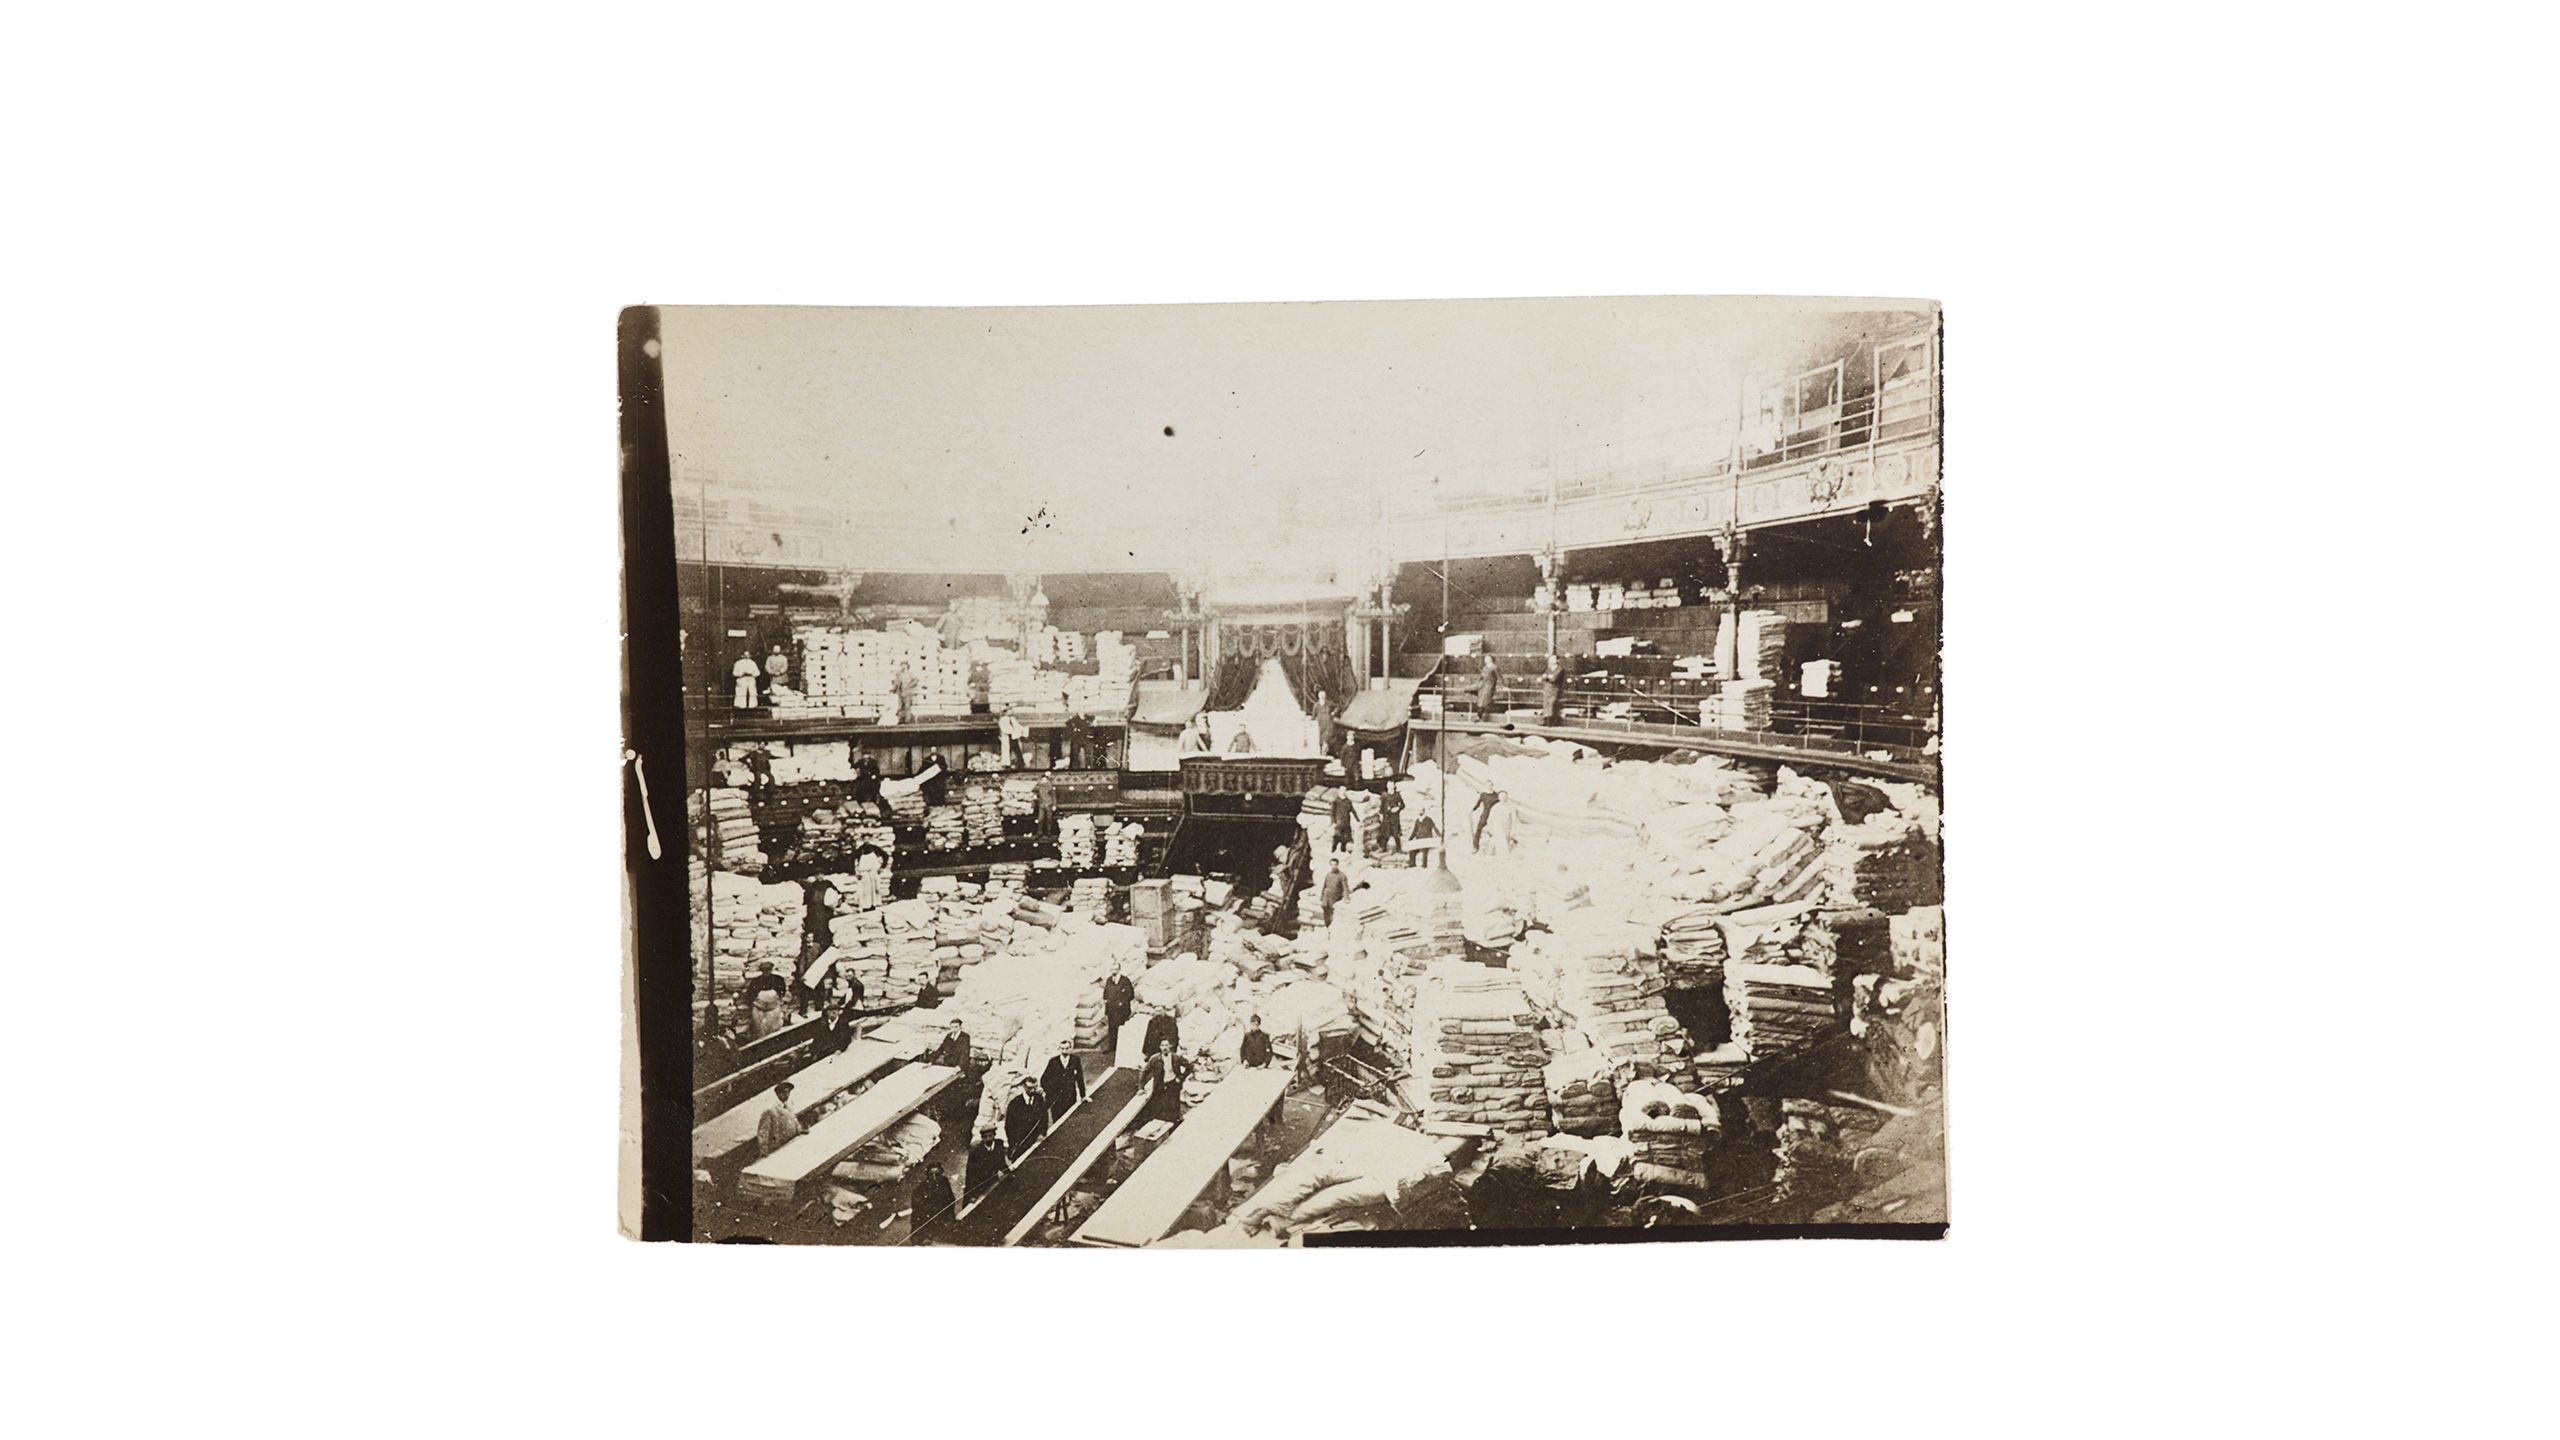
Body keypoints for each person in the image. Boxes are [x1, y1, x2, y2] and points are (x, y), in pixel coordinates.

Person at [1141, 1039, 1193, 1126]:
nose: (1164, 1048)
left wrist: (1180, 1078)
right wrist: (1141, 1087)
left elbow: (1190, 1067)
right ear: (1160, 1047)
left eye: (1166, 1045)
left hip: (1173, 1083)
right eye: (1162, 1046)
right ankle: (1161, 1125)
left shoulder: (1177, 1057)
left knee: (1174, 1104)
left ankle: (1175, 1123)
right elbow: (1144, 1072)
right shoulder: (1155, 1059)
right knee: (1160, 1105)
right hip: (1160, 1085)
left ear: (1170, 1046)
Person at [1004, 1076, 1048, 1160]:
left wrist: (1042, 1133)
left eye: (1035, 1088)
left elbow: (1044, 1118)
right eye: (1030, 1088)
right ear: (1023, 1086)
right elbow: (1009, 1126)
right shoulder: (1014, 1104)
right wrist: (1014, 1144)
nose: (1033, 1091)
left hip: (1036, 1141)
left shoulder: (1039, 1099)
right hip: (1020, 1142)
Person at [694, 1004, 737, 1087]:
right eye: (709, 1017)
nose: (711, 1019)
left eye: (713, 1017)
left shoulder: (720, 1031)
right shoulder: (703, 1032)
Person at [755, 1082, 803, 1158]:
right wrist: (764, 1150)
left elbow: (794, 1120)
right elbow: (763, 1132)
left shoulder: (789, 1105)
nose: (786, 1095)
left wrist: (799, 1130)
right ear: (778, 1094)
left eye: (788, 1092)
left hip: (790, 1141)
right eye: (783, 1093)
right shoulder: (770, 1110)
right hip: (778, 1146)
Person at [964, 1125, 1007, 1201]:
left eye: (990, 1136)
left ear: (994, 1135)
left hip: (993, 1181)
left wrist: (1008, 1171)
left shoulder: (998, 1145)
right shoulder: (975, 1152)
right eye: (985, 1137)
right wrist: (972, 1195)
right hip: (980, 1185)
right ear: (982, 1138)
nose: (988, 1139)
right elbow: (970, 1175)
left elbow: (1001, 1163)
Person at [1043, 1049, 1085, 1121]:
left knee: (1070, 1118)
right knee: (1058, 1120)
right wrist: (1050, 1093)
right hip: (1057, 1099)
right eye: (1062, 1049)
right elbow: (1044, 1079)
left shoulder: (1075, 1060)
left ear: (1070, 1048)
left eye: (1067, 1048)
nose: (1065, 1051)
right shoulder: (1053, 1061)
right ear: (1059, 1049)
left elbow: (1079, 1078)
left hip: (1070, 1096)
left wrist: (1083, 1095)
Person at [1102, 966, 1136, 1053]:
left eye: (1116, 969)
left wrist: (1122, 1002)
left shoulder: (1125, 980)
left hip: (1122, 1010)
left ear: (1119, 970)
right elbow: (1106, 993)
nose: (1114, 971)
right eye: (1112, 969)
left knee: (1121, 1028)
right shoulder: (1109, 980)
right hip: (1112, 1010)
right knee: (1112, 1028)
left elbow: (1131, 995)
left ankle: (1123, 1048)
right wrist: (1106, 1003)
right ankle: (1112, 1047)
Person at [1319, 859, 1349, 927]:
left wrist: (1346, 898)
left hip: (1335, 897)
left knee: (1332, 913)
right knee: (1325, 913)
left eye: (1335, 865)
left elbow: (1345, 888)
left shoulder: (1342, 875)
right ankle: (1327, 927)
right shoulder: (1328, 875)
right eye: (1332, 865)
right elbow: (1324, 886)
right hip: (1326, 897)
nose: (1333, 866)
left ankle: (1332, 929)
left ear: (1338, 865)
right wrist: (1321, 896)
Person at [1377, 786, 1404, 856]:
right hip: (1387, 817)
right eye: (1389, 786)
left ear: (1394, 787)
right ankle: (1383, 848)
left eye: (1392, 786)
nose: (1391, 788)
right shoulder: (1384, 796)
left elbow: (1403, 805)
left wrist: (1398, 808)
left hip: (1395, 818)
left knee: (1396, 834)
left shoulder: (1397, 795)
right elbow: (1381, 808)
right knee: (1386, 833)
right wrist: (1385, 812)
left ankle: (1399, 848)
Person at [1473, 787, 1501, 852]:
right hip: (1485, 813)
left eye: (1490, 785)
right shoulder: (1483, 795)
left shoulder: (1496, 795)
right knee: (1479, 828)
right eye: (1487, 785)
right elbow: (1478, 804)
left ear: (1492, 786)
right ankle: (1475, 847)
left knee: (1495, 829)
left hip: (1494, 814)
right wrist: (1473, 809)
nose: (1489, 786)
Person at [1329, 788, 1356, 853]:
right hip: (1339, 821)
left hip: (1346, 821)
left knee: (1345, 837)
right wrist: (1333, 822)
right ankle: (1333, 848)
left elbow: (1352, 810)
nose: (1342, 792)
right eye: (1341, 791)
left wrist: (1357, 819)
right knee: (1337, 836)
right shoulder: (1336, 801)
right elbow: (1332, 812)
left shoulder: (1348, 801)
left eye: (1343, 791)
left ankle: (1343, 850)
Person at [1475, 652, 1500, 716]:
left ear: (1491, 659)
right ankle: (1479, 711)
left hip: (1490, 685)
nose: (1486, 660)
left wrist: (1501, 686)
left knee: (1484, 698)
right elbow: (1481, 677)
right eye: (1485, 659)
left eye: (1488, 659)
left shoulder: (1494, 667)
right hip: (1483, 684)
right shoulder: (1484, 668)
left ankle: (1479, 714)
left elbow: (1499, 677)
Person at [1313, 689, 1336, 758]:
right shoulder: (1316, 705)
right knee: (1321, 738)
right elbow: (1313, 715)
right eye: (1321, 695)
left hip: (1328, 722)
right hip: (1320, 723)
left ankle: (1325, 753)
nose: (1322, 696)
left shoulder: (1328, 703)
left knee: (1327, 738)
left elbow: (1337, 706)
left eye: (1323, 695)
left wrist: (1333, 713)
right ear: (1318, 696)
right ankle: (1321, 752)